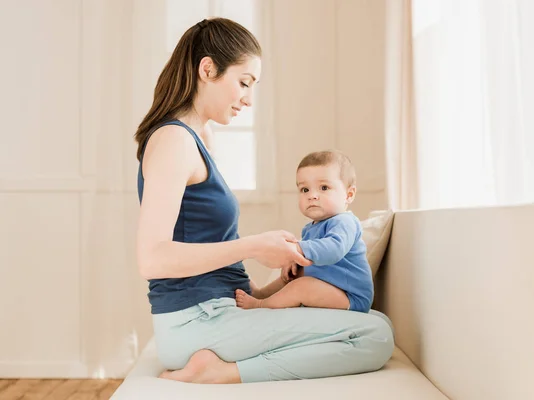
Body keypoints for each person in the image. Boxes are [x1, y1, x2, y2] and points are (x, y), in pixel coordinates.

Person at [135, 17, 394, 384]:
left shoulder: (199, 137)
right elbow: (152, 259)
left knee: (376, 320)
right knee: (375, 336)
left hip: (214, 311)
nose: (249, 99)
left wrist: (265, 290)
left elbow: (207, 250)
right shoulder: (174, 141)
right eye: (244, 83)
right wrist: (256, 246)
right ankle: (224, 373)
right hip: (195, 323)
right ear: (207, 69)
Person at [235, 150, 373, 313]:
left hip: (350, 296)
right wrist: (295, 260)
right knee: (294, 274)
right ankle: (262, 294)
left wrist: (298, 249)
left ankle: (260, 305)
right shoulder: (311, 227)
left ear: (349, 195)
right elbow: (312, 256)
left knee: (302, 286)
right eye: (305, 190)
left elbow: (333, 249)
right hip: (329, 288)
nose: (312, 195)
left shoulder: (344, 222)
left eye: (324, 187)